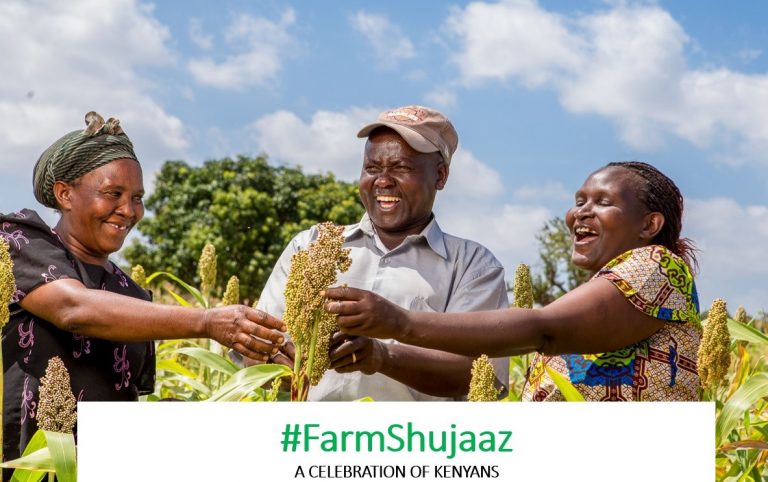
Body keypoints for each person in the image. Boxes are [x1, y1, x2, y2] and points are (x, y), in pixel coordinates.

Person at [1, 111, 286, 460]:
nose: (129, 210)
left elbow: (116, 400)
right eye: (113, 193)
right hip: (21, 466)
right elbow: (73, 308)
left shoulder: (132, 294)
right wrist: (208, 321)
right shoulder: (20, 242)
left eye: (137, 197)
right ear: (65, 194)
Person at [324, 161, 702, 401]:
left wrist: (399, 322)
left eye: (603, 202)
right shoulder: (605, 292)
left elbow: (543, 330)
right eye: (579, 201)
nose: (579, 214)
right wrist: (379, 354)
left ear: (649, 225)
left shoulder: (658, 265)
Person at [254, 105, 510, 401]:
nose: (383, 180)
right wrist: (275, 359)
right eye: (372, 168)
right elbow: (256, 353)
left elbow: (480, 376)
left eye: (401, 168)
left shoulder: (473, 267)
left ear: (440, 176)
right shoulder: (311, 246)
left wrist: (382, 356)